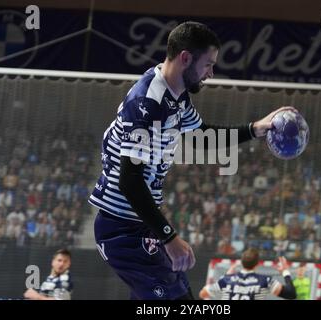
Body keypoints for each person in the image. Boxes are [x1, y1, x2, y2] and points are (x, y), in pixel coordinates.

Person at [89, 21, 298, 300]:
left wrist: (254, 129)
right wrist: (169, 237)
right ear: (186, 58)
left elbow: (202, 135)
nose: (211, 73)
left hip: (139, 223)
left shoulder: (176, 96)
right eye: (208, 64)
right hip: (121, 229)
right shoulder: (149, 102)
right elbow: (129, 180)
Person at [199, 248, 296, 300]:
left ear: (241, 262)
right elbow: (291, 294)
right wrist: (285, 272)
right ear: (258, 263)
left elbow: (202, 294)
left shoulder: (226, 280)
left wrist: (225, 277)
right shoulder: (265, 281)